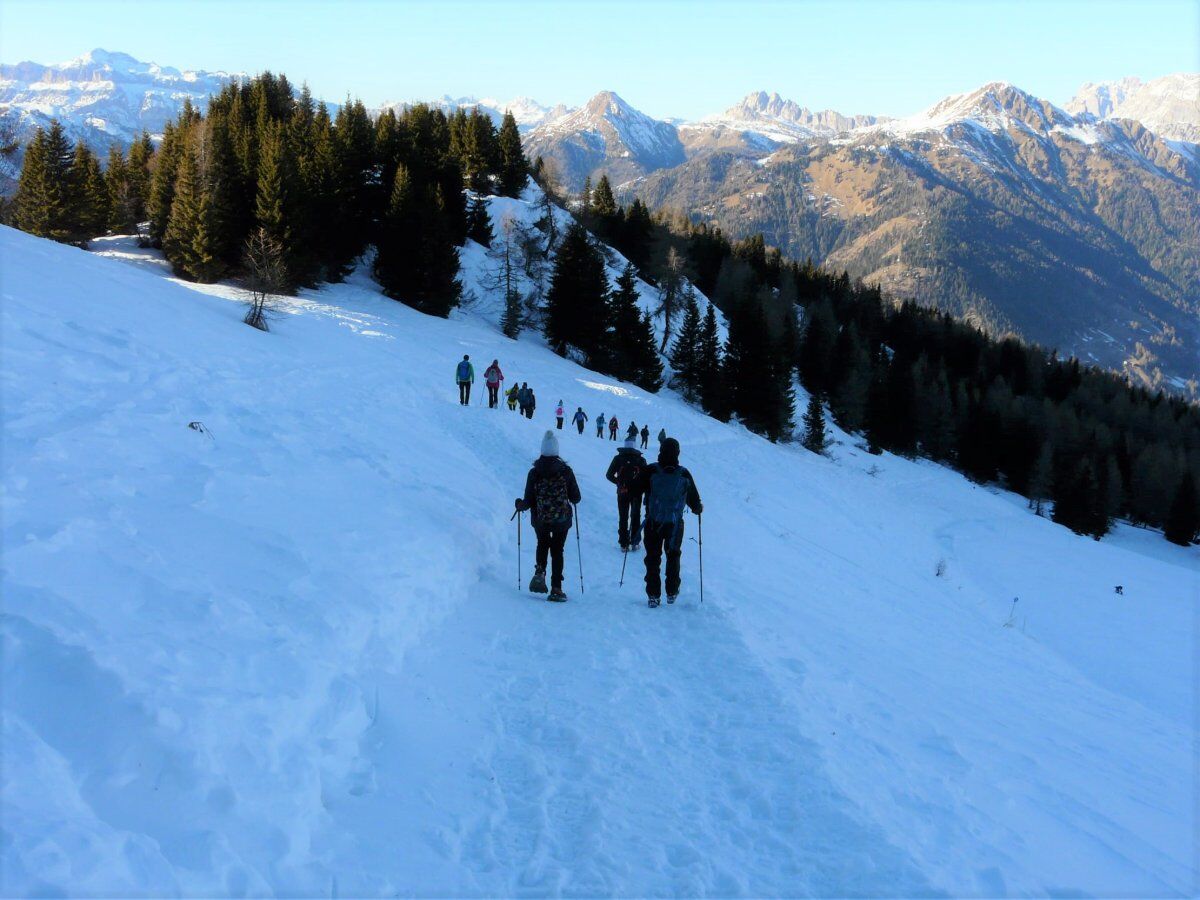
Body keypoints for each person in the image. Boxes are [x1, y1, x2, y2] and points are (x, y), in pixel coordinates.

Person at [515, 431, 581, 603]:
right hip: (561, 520)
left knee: (542, 544)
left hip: (540, 519)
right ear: (556, 450)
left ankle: (540, 572)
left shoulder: (534, 472)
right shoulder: (566, 471)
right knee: (558, 550)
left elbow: (528, 499)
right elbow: (576, 498)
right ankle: (557, 588)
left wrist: (520, 505)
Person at [638, 437, 702, 607]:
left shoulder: (651, 470)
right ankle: (672, 591)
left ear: (661, 450)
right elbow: (694, 502)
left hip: (653, 522)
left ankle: (653, 595)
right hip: (674, 525)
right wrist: (698, 508)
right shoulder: (683, 473)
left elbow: (635, 489)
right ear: (678, 453)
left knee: (653, 557)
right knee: (673, 555)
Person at [606, 435, 646, 551]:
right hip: (637, 493)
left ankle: (623, 543)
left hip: (622, 492)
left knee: (623, 517)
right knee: (635, 516)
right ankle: (635, 542)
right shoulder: (640, 460)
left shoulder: (618, 458)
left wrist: (619, 484)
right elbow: (646, 478)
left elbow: (609, 475)